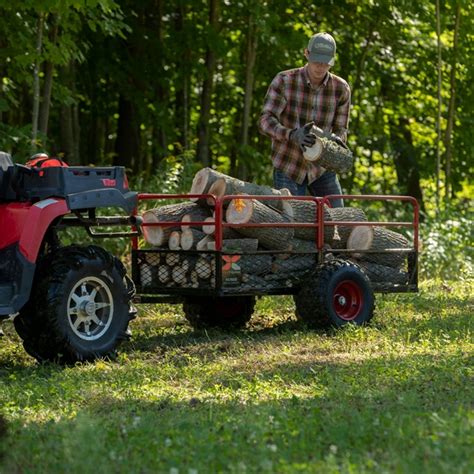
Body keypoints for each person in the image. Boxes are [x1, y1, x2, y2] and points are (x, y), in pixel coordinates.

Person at [258, 32, 351, 207]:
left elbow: (341, 128)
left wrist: (336, 142)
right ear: (306, 54)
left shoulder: (341, 88)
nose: (320, 67)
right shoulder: (285, 81)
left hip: (322, 168)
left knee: (340, 220)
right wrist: (292, 134)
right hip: (289, 165)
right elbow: (265, 121)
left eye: (325, 63)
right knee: (293, 223)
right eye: (316, 61)